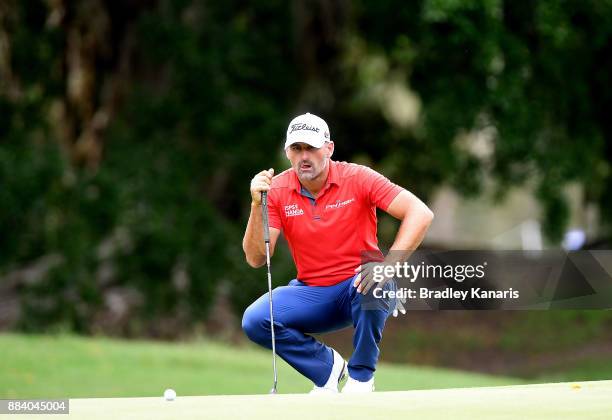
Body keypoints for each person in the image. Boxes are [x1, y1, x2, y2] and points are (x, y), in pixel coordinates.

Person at [242, 112, 434, 394]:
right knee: (255, 319)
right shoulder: (277, 190)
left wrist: (389, 265)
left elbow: (420, 212)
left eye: (311, 148)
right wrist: (256, 206)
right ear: (287, 152)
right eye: (297, 149)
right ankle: (326, 369)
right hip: (312, 294)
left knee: (375, 281)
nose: (304, 156)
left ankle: (361, 378)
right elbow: (257, 258)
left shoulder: (358, 177)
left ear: (329, 148)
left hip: (359, 287)